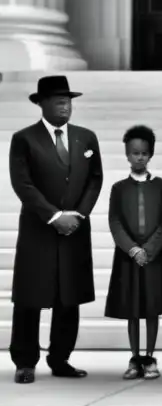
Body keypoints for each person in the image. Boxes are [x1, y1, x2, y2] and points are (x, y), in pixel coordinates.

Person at [8, 76, 104, 384]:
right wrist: (53, 216)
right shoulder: (25, 139)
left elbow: (95, 179)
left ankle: (60, 358)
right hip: (39, 229)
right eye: (59, 101)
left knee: (68, 295)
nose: (66, 106)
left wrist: (78, 214)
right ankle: (25, 362)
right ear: (43, 104)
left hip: (74, 229)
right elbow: (23, 184)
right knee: (30, 297)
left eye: (69, 101)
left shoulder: (86, 138)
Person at [104, 125, 162, 380]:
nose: (139, 157)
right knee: (132, 309)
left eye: (144, 153)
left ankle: (150, 357)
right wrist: (133, 249)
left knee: (152, 308)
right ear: (126, 154)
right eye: (134, 153)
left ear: (151, 155)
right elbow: (115, 222)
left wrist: (150, 248)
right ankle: (135, 358)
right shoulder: (118, 188)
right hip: (128, 257)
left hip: (154, 257)